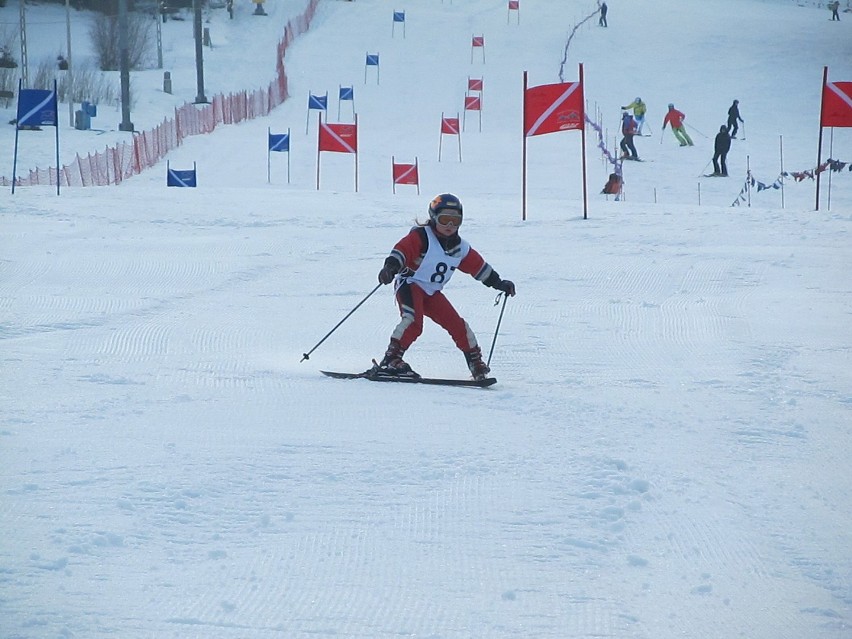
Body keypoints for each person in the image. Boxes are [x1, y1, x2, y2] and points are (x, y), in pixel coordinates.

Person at [376, 193, 516, 380]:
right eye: (444, 219)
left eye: (455, 220)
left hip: (432, 292)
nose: (450, 225)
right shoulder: (422, 236)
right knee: (413, 322)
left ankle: (476, 364)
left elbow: (478, 267)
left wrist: (499, 283)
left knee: (457, 325)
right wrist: (390, 267)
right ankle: (391, 360)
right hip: (411, 284)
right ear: (433, 218)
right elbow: (402, 250)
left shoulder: (460, 248)